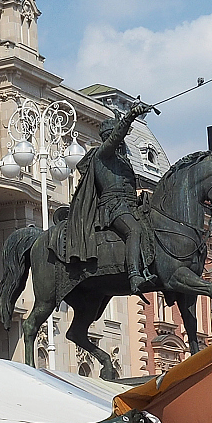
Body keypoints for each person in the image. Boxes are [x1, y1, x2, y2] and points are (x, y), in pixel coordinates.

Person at [61, 100, 162, 293]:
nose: (122, 142)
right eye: (119, 138)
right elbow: (116, 137)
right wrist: (130, 116)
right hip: (113, 207)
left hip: (131, 206)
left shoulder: (123, 161)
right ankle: (134, 275)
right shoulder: (102, 154)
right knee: (133, 230)